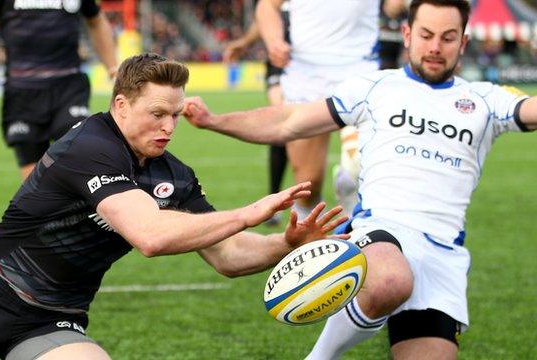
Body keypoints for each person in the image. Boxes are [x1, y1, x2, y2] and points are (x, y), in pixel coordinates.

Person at [0, 53, 349, 360]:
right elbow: (149, 235)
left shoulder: (174, 175)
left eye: (175, 114)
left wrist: (286, 243)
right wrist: (248, 213)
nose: (169, 126)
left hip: (55, 318)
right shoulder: (89, 146)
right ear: (121, 105)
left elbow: (229, 257)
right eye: (157, 113)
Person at [183, 1, 537, 358]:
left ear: (463, 43)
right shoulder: (374, 87)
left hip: (443, 258)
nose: (434, 47)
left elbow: (530, 109)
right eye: (426, 35)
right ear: (407, 34)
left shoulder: (485, 100)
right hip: (381, 233)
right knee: (390, 279)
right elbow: (288, 122)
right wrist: (216, 121)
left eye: (447, 38)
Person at [256, 0, 402, 220]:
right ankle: (314, 248)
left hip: (359, 72)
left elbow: (393, 6)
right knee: (308, 185)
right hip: (305, 79)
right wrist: (273, 40)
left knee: (359, 169)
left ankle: (352, 194)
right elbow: (267, 6)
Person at [0, 0, 118, 179]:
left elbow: (97, 20)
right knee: (34, 180)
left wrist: (113, 69)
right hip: (22, 93)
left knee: (78, 154)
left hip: (68, 88)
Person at [222, 1, 290, 226]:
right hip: (281, 63)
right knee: (282, 125)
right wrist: (245, 42)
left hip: (319, 65)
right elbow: (264, 16)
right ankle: (275, 201)